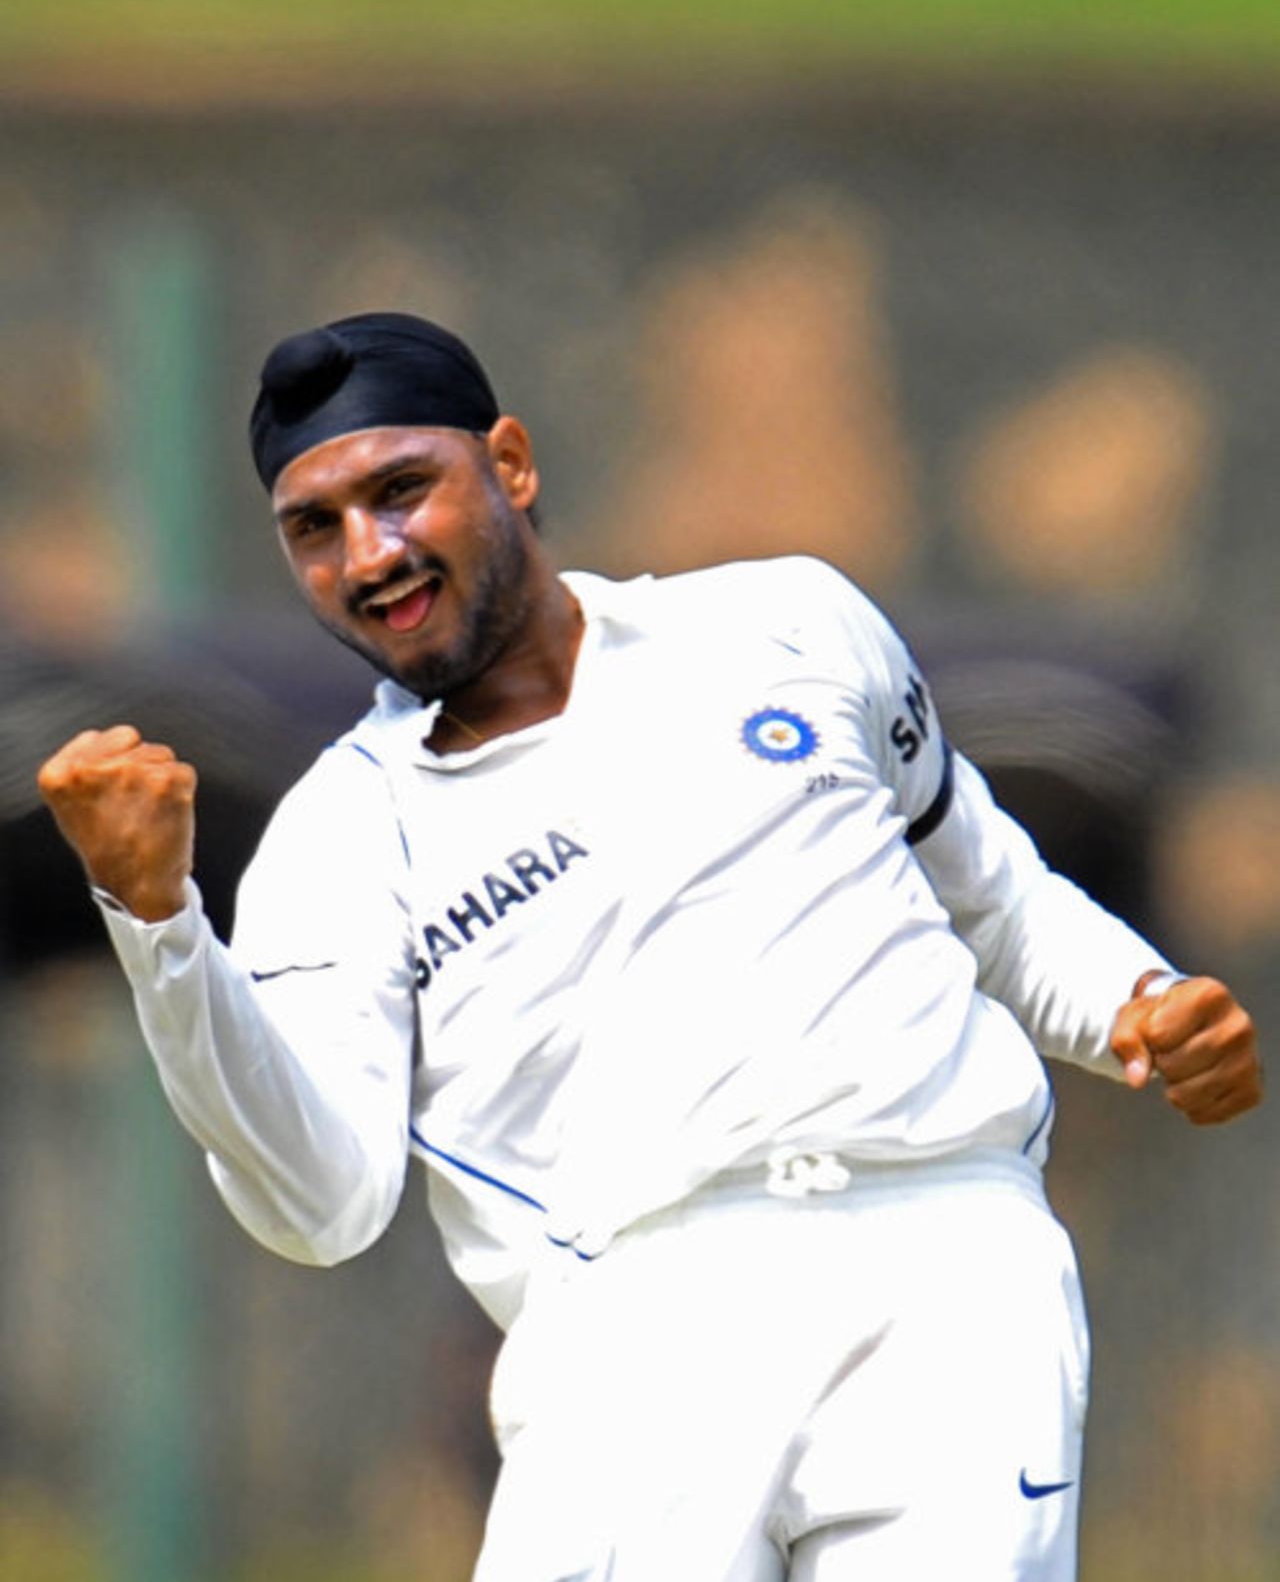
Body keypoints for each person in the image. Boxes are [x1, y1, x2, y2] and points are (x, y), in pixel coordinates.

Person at [39, 311, 1261, 1582]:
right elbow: (320, 1203)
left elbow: (986, 887)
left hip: (948, 1265)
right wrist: (159, 924)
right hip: (633, 1325)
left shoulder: (787, 623)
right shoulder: (341, 838)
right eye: (315, 526)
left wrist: (1134, 993)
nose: (371, 553)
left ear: (508, 465)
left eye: (403, 489)